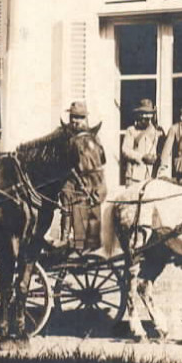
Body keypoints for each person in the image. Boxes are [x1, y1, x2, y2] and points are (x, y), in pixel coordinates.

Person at [58, 101, 103, 251]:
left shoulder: (93, 138)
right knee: (67, 195)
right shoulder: (64, 136)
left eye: (80, 117)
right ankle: (65, 238)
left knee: (94, 204)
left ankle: (92, 244)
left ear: (86, 119)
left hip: (89, 178)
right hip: (70, 178)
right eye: (73, 117)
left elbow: (100, 160)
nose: (76, 121)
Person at [119, 98, 165, 186]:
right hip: (134, 175)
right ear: (138, 115)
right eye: (144, 114)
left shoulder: (157, 131)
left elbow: (162, 151)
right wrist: (142, 157)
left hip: (152, 174)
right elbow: (125, 150)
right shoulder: (131, 130)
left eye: (149, 114)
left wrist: (156, 158)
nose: (146, 117)